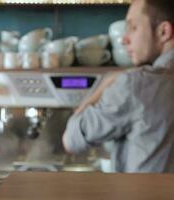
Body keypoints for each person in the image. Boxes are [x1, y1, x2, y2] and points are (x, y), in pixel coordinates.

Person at [62, 0, 174, 172]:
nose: (124, 39)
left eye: (133, 27)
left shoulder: (136, 84)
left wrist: (107, 81)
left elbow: (71, 140)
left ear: (164, 31)